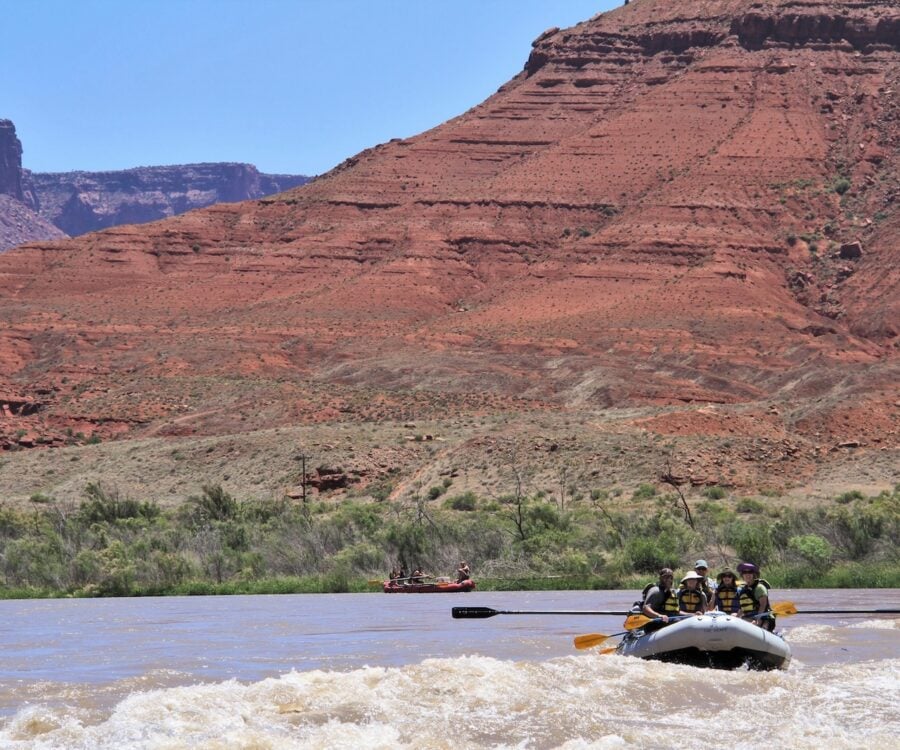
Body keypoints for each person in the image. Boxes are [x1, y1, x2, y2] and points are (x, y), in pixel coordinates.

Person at [736, 562, 775, 631]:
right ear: (742, 575)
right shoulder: (743, 590)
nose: (747, 574)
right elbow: (742, 609)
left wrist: (757, 619)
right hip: (748, 618)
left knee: (755, 625)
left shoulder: (759, 588)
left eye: (750, 572)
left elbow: (763, 606)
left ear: (754, 574)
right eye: (745, 572)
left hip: (763, 617)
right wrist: (735, 619)